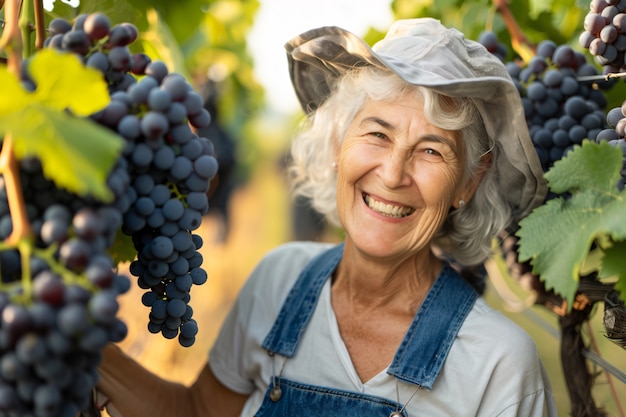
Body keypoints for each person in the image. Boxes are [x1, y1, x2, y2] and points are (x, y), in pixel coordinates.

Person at [96, 18, 557, 416]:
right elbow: (196, 414)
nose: (393, 174)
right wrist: (79, 343)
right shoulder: (277, 282)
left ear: (468, 183)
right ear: (338, 144)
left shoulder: (500, 365)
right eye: (377, 134)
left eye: (432, 150)